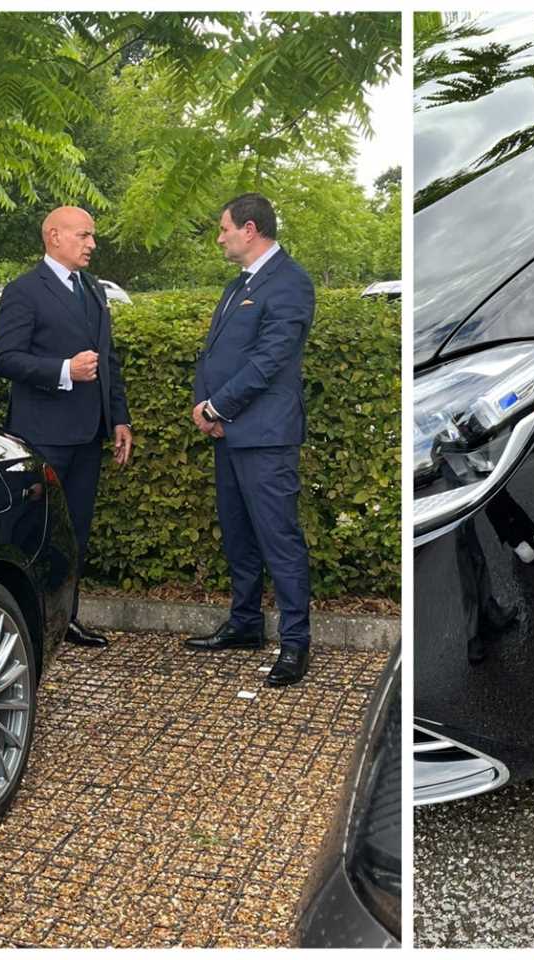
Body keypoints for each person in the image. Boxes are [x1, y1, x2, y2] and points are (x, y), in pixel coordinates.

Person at [186, 193, 315, 686]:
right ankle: (245, 625)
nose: (219, 237)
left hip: (264, 437)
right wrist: (206, 407)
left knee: (279, 539)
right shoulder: (237, 284)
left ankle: (295, 643)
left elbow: (270, 360)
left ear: (251, 229)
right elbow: (213, 354)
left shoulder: (291, 282)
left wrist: (218, 407)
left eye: (224, 229)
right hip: (228, 432)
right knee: (238, 536)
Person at [0, 206, 132, 647]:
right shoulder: (23, 291)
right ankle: (29, 626)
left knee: (76, 534)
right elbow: (6, 359)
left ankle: (65, 619)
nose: (92, 244)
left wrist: (119, 418)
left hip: (88, 436)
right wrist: (64, 370)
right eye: (84, 236)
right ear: (54, 236)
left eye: (92, 237)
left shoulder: (92, 289)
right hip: (43, 436)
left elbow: (108, 360)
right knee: (37, 533)